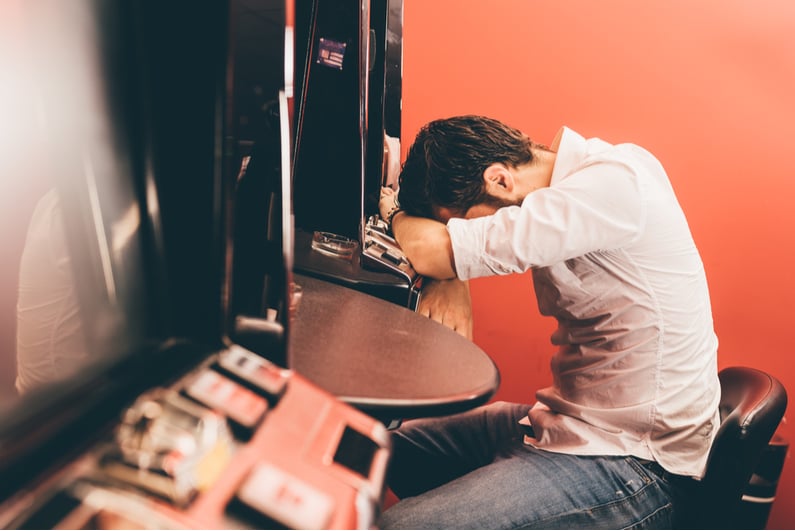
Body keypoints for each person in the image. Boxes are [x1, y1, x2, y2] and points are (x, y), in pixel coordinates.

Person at [376, 115, 720, 529]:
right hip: (570, 426)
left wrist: (423, 241)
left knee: (400, 527)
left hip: (636, 465)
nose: (472, 232)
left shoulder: (611, 186)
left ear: (500, 181)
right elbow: (439, 254)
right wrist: (452, 272)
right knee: (372, 448)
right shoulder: (579, 182)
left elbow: (430, 252)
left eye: (462, 223)